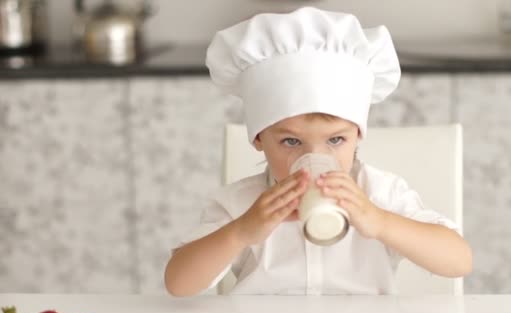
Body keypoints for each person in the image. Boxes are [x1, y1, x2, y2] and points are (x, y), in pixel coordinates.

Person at [164, 7, 472, 296]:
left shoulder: (379, 193)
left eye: (336, 140)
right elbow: (178, 284)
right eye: (291, 142)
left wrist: (380, 222)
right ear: (258, 139)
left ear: (358, 136)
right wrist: (241, 232)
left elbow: (458, 261)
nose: (313, 157)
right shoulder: (242, 204)